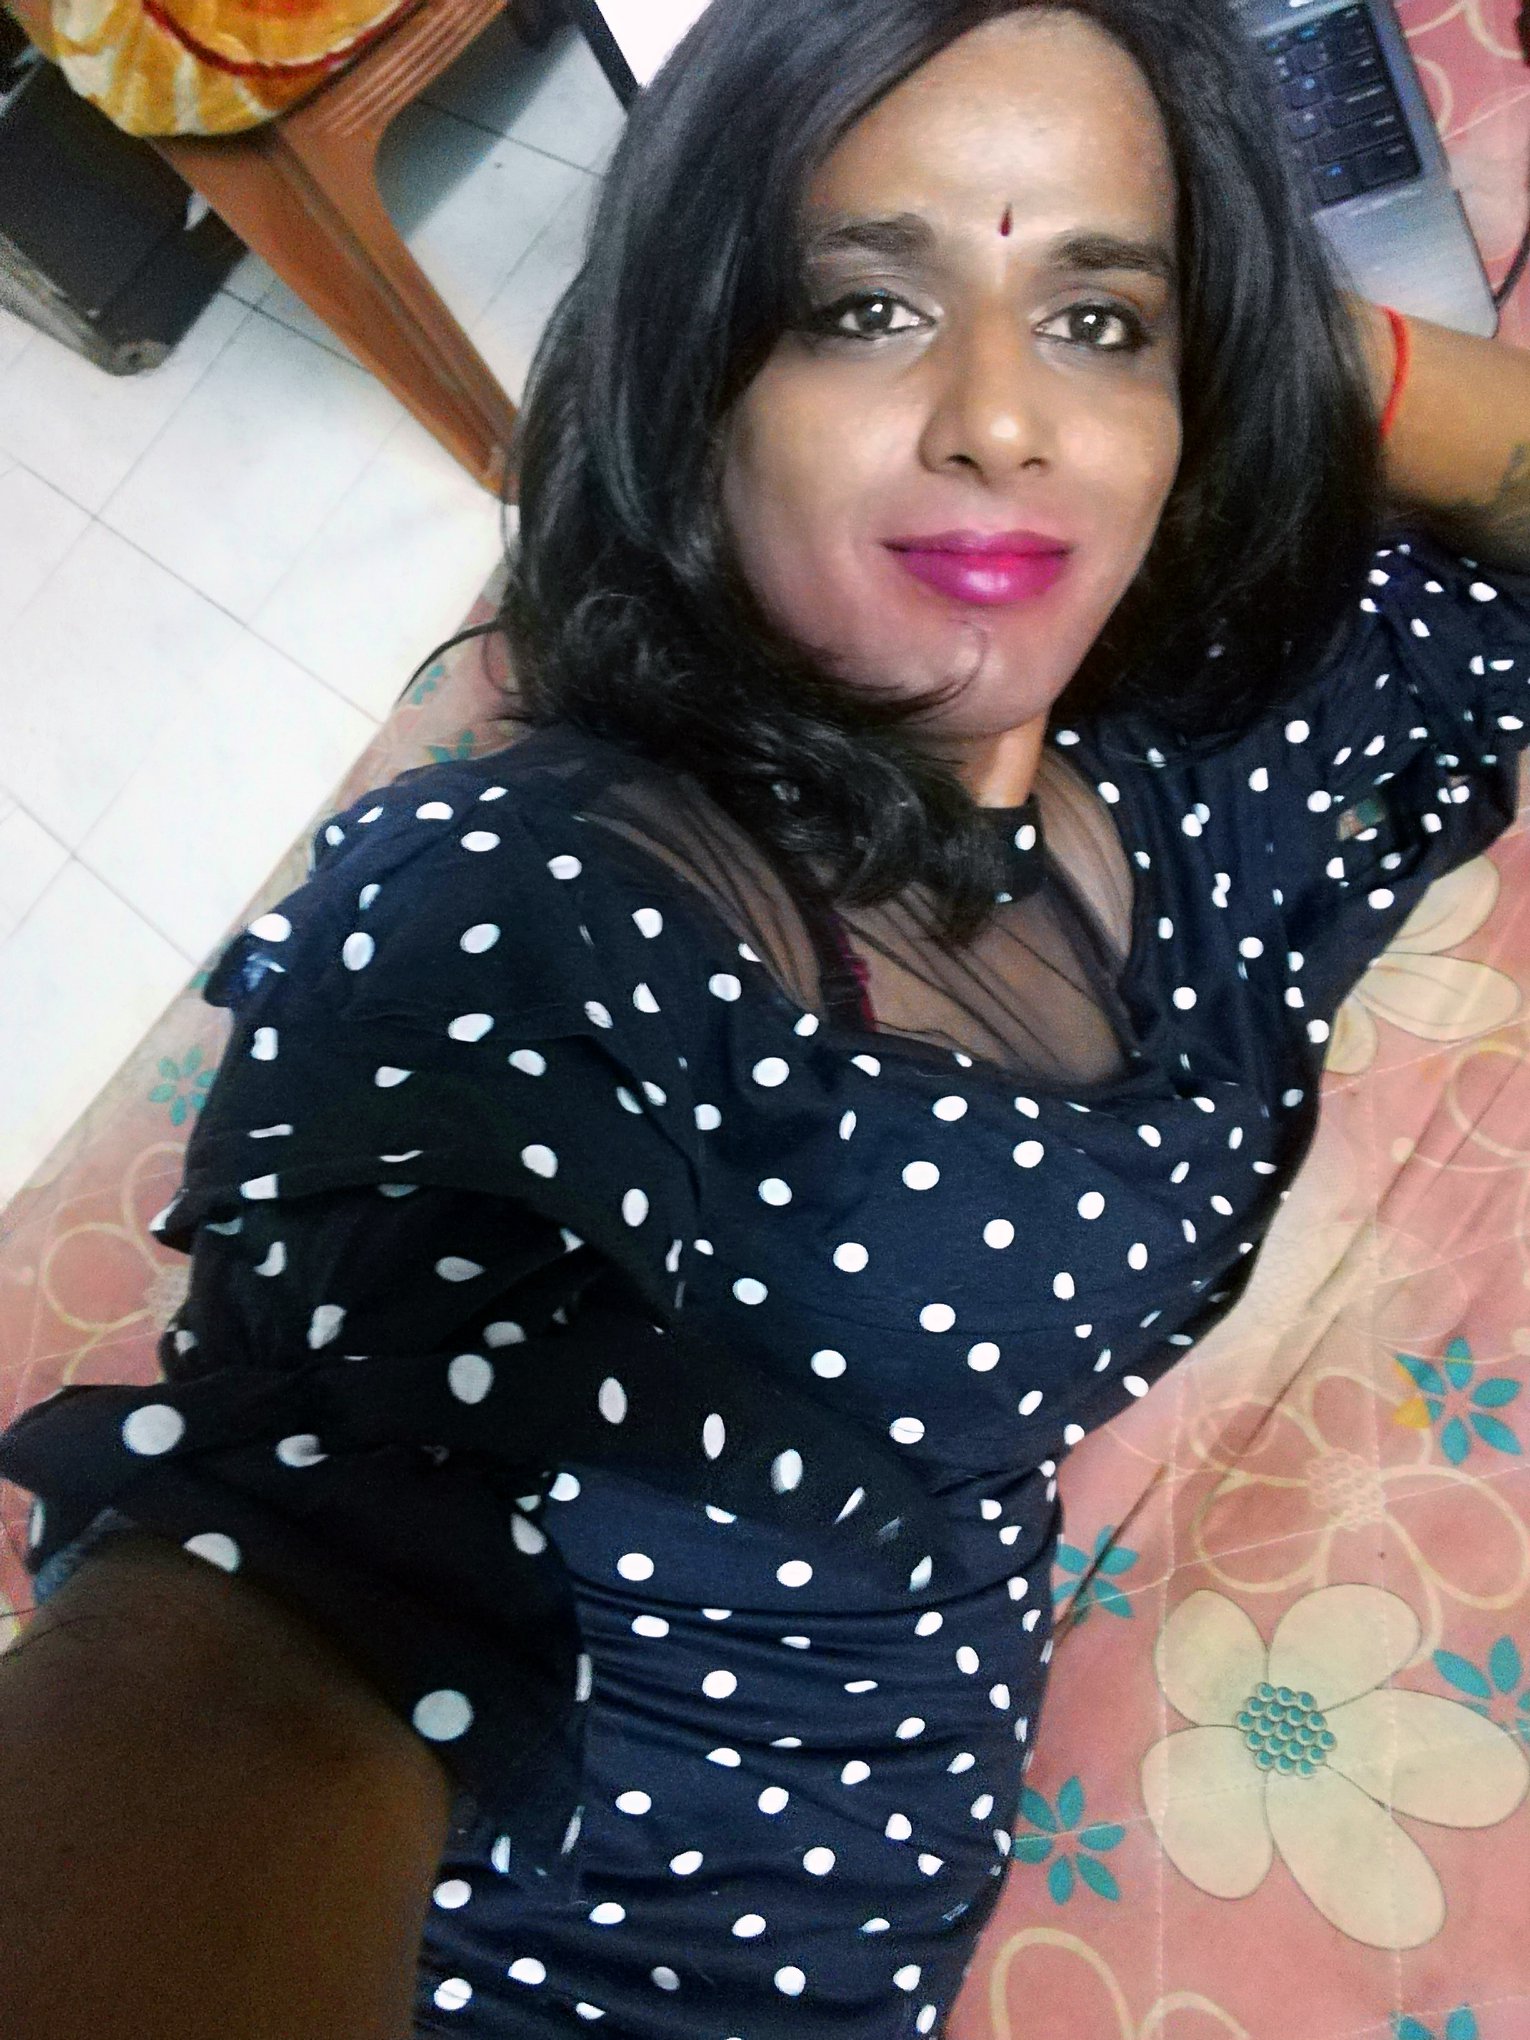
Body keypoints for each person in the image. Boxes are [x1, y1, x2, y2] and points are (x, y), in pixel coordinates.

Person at [4, 0, 1530, 2034]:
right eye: (863, 310)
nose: (1000, 420)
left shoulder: (1205, 756)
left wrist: (1302, 346)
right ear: (693, 377)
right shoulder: (541, 909)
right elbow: (266, 1641)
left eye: (1097, 322)